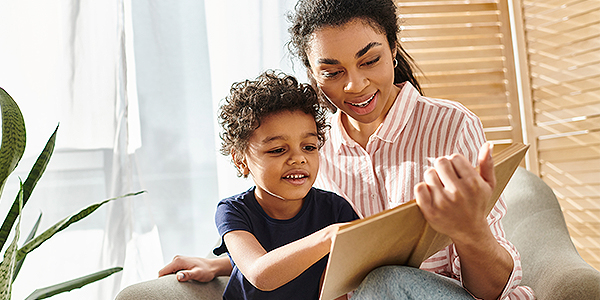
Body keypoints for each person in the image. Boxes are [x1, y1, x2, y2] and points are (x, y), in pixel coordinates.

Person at [157, 0, 535, 299]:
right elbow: (314, 252)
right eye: (333, 72)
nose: (355, 85)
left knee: (383, 281)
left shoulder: (450, 126)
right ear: (312, 73)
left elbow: (491, 291)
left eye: (370, 60)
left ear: (394, 50)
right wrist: (227, 265)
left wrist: (470, 232)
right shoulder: (313, 150)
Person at [210, 70, 358, 299]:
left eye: (309, 147)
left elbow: (338, 290)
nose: (299, 159)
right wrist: (329, 237)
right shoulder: (233, 211)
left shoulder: (336, 210)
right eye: (278, 150)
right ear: (240, 160)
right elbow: (260, 274)